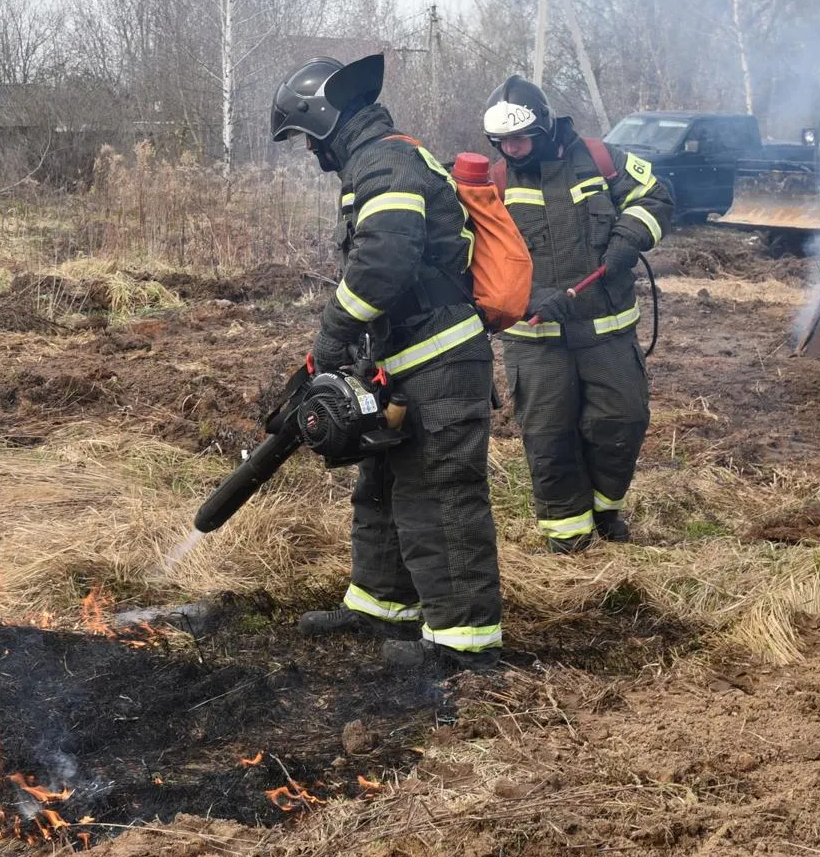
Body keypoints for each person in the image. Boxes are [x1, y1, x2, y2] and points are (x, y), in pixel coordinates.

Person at [270, 53, 503, 673]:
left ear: (326, 121)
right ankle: (383, 607)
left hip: (440, 361)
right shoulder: (375, 162)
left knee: (439, 493)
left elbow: (382, 264)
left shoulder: (386, 163)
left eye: (307, 136)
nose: (310, 151)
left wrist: (331, 339)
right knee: (382, 486)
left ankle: (464, 642)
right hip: (403, 361)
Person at [483, 76, 673, 551]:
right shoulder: (494, 183)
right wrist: (528, 298)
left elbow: (655, 195)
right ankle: (568, 537)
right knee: (550, 439)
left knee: (622, 422)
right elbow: (479, 260)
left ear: (544, 127)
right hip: (536, 343)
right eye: (501, 141)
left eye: (520, 138)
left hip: (608, 333)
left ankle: (605, 510)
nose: (511, 148)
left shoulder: (601, 159)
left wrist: (627, 238)